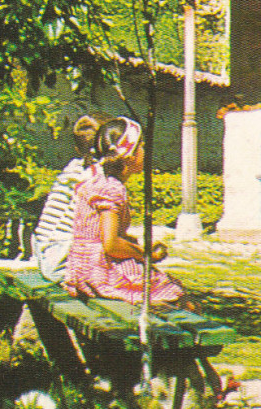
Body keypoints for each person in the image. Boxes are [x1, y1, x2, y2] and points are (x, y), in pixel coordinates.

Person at [64, 117, 184, 306]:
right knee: (178, 296)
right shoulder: (111, 189)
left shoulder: (97, 181)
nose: (145, 152)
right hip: (101, 272)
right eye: (141, 146)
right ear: (129, 155)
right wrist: (144, 253)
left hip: (82, 268)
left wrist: (132, 244)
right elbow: (110, 244)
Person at [31, 113, 105, 283]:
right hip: (61, 259)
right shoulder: (96, 177)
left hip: (44, 250)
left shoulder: (74, 167)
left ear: (78, 148)